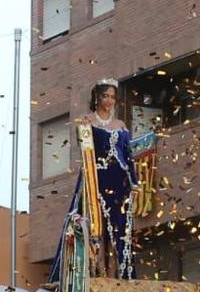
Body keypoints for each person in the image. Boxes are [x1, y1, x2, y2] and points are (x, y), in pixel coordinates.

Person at [53, 79, 155, 280]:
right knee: (93, 224)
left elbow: (127, 155)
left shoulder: (121, 125)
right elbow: (85, 151)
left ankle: (122, 276)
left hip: (120, 181)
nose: (109, 101)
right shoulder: (87, 121)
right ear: (97, 97)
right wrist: (84, 130)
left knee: (120, 228)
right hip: (96, 178)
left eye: (112, 97)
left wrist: (134, 182)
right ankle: (95, 273)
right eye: (105, 96)